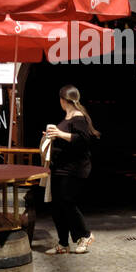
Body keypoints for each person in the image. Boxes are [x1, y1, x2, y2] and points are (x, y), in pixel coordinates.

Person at [44, 85, 97, 254]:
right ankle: (63, 243)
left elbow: (83, 140)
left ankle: (85, 235)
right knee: (57, 206)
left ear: (63, 100)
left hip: (74, 168)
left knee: (67, 201)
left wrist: (59, 134)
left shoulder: (78, 117)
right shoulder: (67, 117)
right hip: (60, 167)